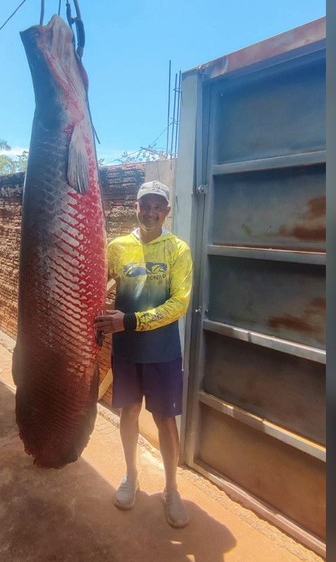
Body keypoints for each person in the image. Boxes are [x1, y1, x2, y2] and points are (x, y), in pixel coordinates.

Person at [94, 180, 193, 529]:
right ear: (136, 207)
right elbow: (99, 284)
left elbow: (179, 303)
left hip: (163, 351)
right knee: (129, 411)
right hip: (127, 350)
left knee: (166, 419)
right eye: (145, 204)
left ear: (167, 211)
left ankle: (171, 489)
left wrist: (131, 320)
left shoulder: (178, 249)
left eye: (158, 206)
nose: (151, 211)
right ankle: (131, 476)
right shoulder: (117, 247)